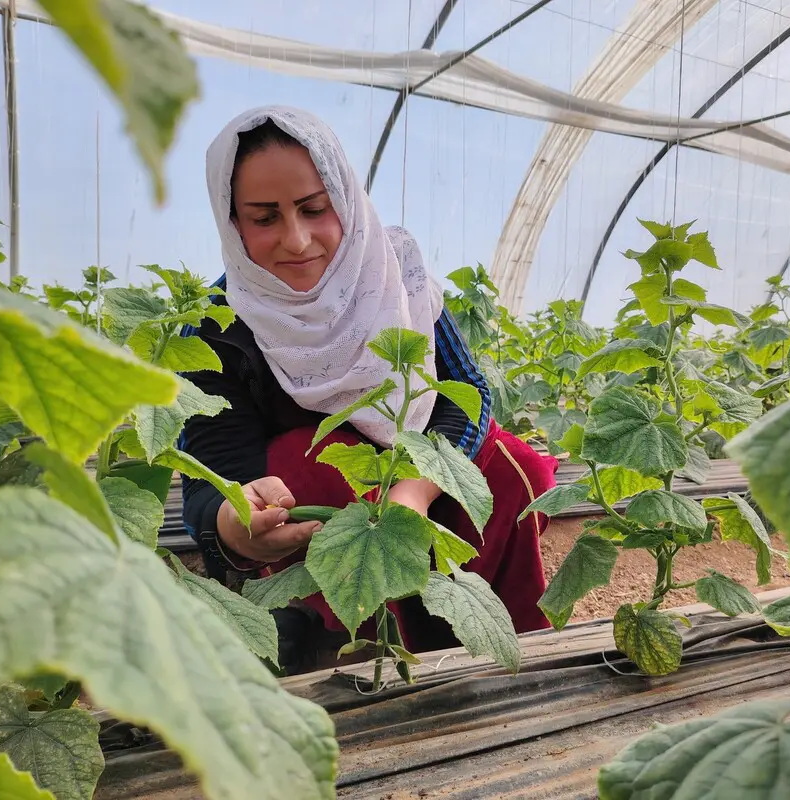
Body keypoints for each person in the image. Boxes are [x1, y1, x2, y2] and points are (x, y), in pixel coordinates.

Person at [179, 105, 556, 671]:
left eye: (314, 208)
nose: (297, 239)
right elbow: (212, 471)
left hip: (415, 481)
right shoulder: (218, 324)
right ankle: (363, 646)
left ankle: (508, 640)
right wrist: (236, 528)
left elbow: (466, 393)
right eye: (264, 218)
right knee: (307, 459)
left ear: (346, 201)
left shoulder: (394, 276)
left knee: (508, 462)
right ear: (232, 223)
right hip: (321, 516)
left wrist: (415, 489)